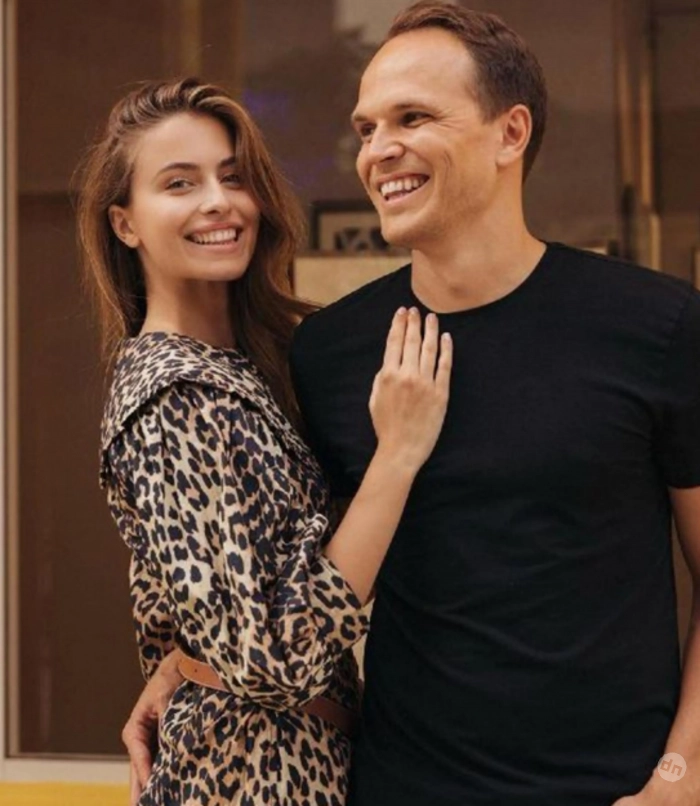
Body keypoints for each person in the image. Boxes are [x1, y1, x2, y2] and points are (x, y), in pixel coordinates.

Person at [123, 3, 700, 805]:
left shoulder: (657, 325)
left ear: (511, 133)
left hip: (612, 791)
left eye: (413, 118)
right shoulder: (328, 353)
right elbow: (288, 581)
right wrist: (187, 666)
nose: (378, 149)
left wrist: (682, 774)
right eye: (366, 129)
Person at [78, 76, 452, 806]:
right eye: (179, 183)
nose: (218, 201)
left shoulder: (251, 366)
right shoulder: (175, 396)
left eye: (234, 177)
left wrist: (183, 662)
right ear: (125, 224)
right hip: (245, 779)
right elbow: (274, 659)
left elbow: (224, 610)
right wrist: (398, 454)